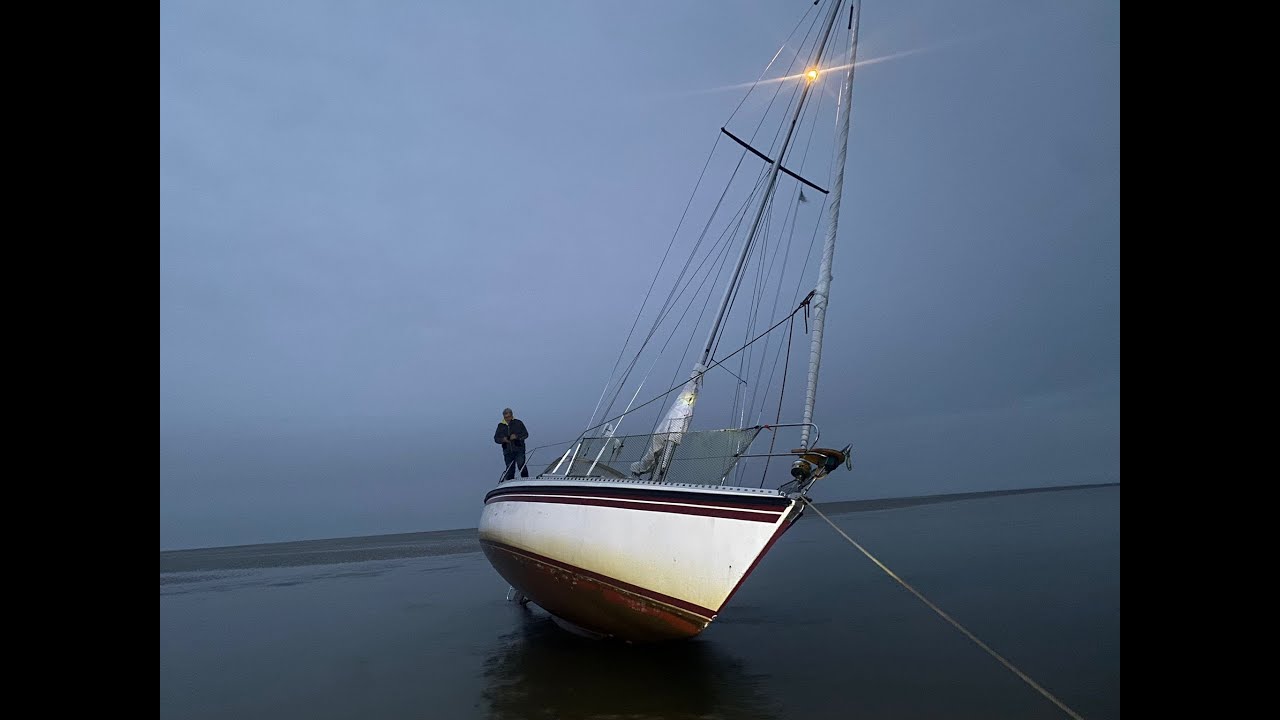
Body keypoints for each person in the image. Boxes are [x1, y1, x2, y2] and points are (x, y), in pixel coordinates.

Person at [494, 408, 530, 480]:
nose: (507, 419)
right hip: (507, 451)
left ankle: (526, 480)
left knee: (521, 466)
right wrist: (503, 439)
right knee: (510, 469)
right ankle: (509, 482)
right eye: (505, 417)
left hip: (519, 449)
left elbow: (525, 434)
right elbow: (496, 438)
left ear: (511, 415)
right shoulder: (500, 425)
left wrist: (516, 436)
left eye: (508, 417)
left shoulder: (518, 423)